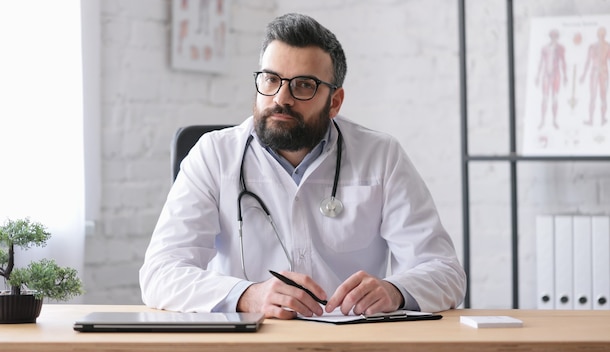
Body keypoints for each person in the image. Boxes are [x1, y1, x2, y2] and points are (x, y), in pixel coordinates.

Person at [140, 13, 466, 319]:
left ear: (334, 102)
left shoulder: (381, 156)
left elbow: (446, 272)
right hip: (247, 344)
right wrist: (247, 295)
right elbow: (160, 274)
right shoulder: (213, 155)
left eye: (304, 85)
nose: (282, 97)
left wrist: (394, 291)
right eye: (271, 80)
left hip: (348, 344)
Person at [535, 29, 567, 129]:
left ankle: (554, 121)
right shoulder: (544, 48)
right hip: (546, 75)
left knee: (555, 98)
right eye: (552, 36)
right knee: (544, 98)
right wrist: (537, 75)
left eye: (556, 36)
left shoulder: (561, 48)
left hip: (556, 75)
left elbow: (563, 62)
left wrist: (565, 75)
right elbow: (541, 62)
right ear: (550, 37)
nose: (554, 38)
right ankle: (542, 121)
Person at [580, 26, 610, 126]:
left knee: (603, 96)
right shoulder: (592, 46)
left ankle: (602, 119)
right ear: (597, 35)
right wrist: (583, 75)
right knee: (593, 96)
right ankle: (591, 120)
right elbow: (588, 61)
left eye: (603, 34)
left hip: (604, 73)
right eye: (600, 34)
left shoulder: (608, 46)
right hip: (594, 72)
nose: (601, 36)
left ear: (605, 35)